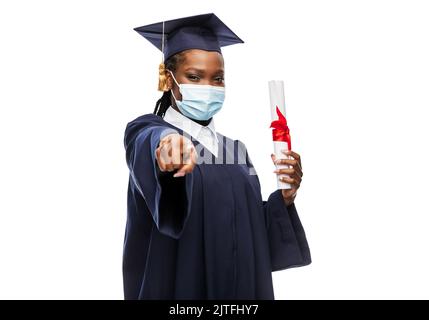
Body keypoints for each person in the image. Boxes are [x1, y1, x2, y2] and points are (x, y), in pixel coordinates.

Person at [123, 13, 311, 300]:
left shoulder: (236, 151)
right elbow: (148, 144)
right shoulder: (147, 130)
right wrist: (166, 146)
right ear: (168, 80)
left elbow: (249, 230)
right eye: (194, 77)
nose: (208, 87)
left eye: (218, 78)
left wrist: (283, 199)